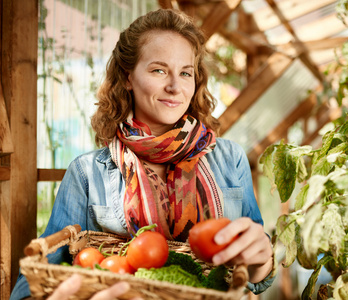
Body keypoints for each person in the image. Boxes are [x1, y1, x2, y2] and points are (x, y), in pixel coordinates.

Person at [10, 8, 275, 300]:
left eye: (185, 72)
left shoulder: (229, 158)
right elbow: (30, 284)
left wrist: (262, 261)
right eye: (159, 70)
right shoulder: (88, 173)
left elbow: (255, 275)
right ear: (127, 77)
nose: (175, 87)